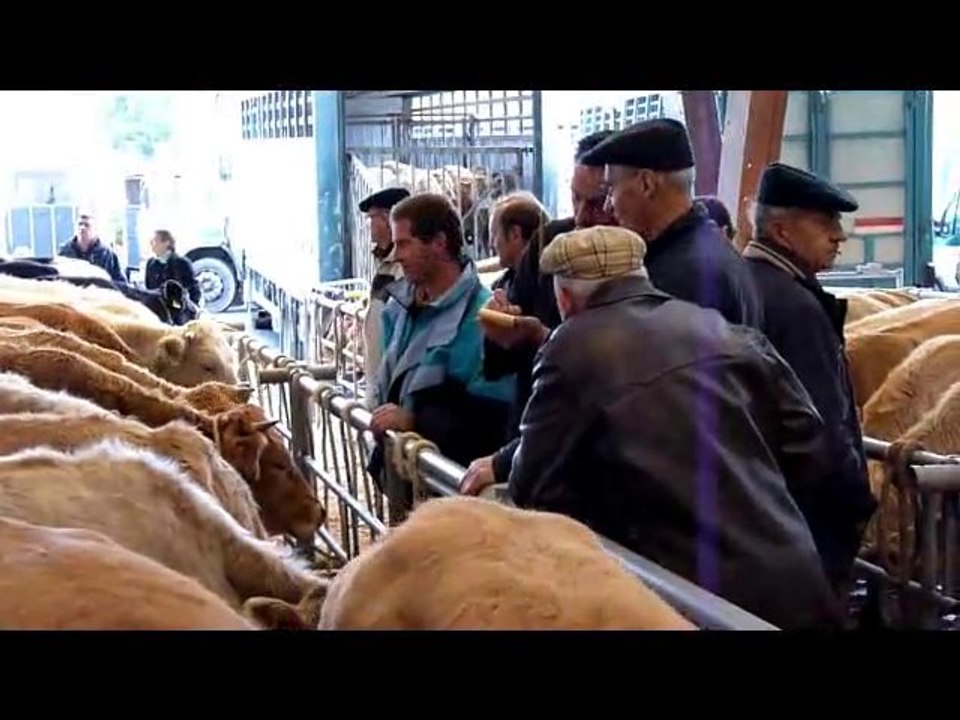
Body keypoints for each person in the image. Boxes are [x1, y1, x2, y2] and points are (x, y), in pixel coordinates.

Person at [482, 224, 842, 629]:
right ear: (642, 276)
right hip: (793, 578)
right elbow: (811, 444)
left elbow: (532, 486)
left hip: (687, 597)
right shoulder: (721, 329)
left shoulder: (571, 348)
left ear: (563, 298)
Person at [743, 162, 878, 593]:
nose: (840, 235)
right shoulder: (796, 309)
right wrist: (851, 503)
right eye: (825, 224)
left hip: (761, 516)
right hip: (803, 526)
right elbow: (820, 425)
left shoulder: (743, 283)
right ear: (782, 232)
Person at [462, 130, 617, 492]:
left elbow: (608, 384)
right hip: (531, 440)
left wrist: (543, 337)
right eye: (575, 199)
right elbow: (501, 362)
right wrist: (500, 329)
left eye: (596, 204)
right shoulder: (548, 243)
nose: (581, 217)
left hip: (594, 464)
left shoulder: (645, 263)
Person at [367, 193, 515, 523]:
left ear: (438, 243)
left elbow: (492, 422)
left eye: (404, 244)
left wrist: (414, 422)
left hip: (454, 491)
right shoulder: (399, 310)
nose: (397, 255)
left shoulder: (484, 318)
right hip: (408, 478)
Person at [579, 118, 762, 328]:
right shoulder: (720, 252)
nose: (607, 206)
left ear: (646, 184)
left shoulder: (681, 279)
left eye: (612, 189)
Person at [358, 186, 410, 409]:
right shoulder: (384, 264)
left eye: (372, 218)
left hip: (393, 388)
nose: (368, 225)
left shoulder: (404, 268)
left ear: (388, 219)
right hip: (378, 379)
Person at [488, 192, 550, 297]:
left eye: (494, 234)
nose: (491, 244)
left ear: (515, 234)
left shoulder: (546, 291)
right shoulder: (503, 285)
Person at [58, 213, 126, 284]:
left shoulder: (107, 254)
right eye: (80, 224)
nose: (82, 228)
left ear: (95, 229)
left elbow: (121, 283)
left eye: (87, 225)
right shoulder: (64, 252)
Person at [145, 229, 201, 303]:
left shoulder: (182, 263)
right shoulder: (151, 263)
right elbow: (148, 288)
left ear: (166, 243)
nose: (151, 244)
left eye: (154, 241)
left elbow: (193, 289)